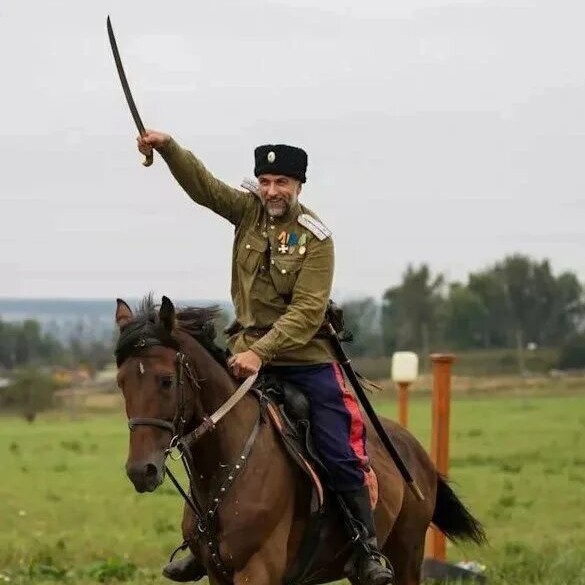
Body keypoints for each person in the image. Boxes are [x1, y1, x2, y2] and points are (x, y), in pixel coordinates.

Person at [136, 132, 394, 585]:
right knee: (201, 431)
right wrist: (168, 147)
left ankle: (365, 547)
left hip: (305, 359)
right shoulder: (247, 212)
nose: (272, 191)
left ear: (299, 186)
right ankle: (203, 542)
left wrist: (262, 352)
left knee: (337, 447)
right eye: (266, 181)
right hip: (243, 352)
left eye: (282, 182)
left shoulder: (316, 238)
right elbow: (203, 187)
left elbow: (308, 311)